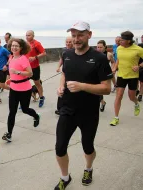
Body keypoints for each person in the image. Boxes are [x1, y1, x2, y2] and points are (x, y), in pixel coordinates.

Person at [54, 21, 112, 190]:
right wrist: (61, 86)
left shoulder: (99, 58)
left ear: (89, 35)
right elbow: (65, 73)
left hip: (89, 111)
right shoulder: (67, 54)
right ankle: (65, 177)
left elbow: (107, 88)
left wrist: (82, 86)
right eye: (74, 35)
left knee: (87, 147)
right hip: (67, 108)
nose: (76, 39)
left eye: (80, 35)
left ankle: (88, 168)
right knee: (60, 147)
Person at [2, 38, 40, 142]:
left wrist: (18, 72)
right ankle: (9, 134)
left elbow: (30, 73)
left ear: (21, 48)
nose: (14, 47)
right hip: (14, 89)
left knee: (25, 109)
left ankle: (36, 116)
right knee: (12, 112)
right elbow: (12, 72)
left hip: (24, 89)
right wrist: (10, 80)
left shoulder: (23, 58)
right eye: (12, 45)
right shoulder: (11, 57)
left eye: (16, 46)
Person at [110, 31, 143, 126]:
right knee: (118, 95)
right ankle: (116, 117)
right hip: (121, 75)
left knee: (131, 97)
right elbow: (119, 59)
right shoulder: (119, 48)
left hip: (133, 76)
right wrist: (115, 68)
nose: (120, 40)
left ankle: (136, 103)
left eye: (122, 39)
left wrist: (139, 66)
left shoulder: (138, 49)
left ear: (128, 41)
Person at [26, 30, 47, 107]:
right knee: (24, 84)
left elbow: (44, 53)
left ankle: (41, 97)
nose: (27, 37)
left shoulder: (37, 43)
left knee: (37, 83)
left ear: (33, 36)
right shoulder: (25, 44)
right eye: (26, 35)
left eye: (29, 35)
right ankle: (24, 101)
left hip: (35, 67)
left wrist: (35, 57)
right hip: (26, 68)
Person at [55, 37, 73, 115]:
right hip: (65, 74)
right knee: (61, 89)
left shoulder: (76, 51)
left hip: (73, 75)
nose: (68, 43)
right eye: (67, 42)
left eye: (70, 42)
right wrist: (58, 66)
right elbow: (61, 59)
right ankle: (59, 108)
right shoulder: (64, 51)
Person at [96, 40, 116, 112]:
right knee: (96, 91)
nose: (99, 49)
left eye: (101, 47)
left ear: (105, 47)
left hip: (105, 75)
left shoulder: (109, 54)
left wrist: (113, 69)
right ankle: (102, 102)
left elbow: (113, 62)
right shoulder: (95, 54)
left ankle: (102, 102)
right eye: (97, 47)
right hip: (96, 74)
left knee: (100, 90)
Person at [137, 37, 143, 102]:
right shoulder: (139, 46)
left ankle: (140, 94)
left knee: (142, 82)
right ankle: (137, 90)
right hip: (137, 66)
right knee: (136, 81)